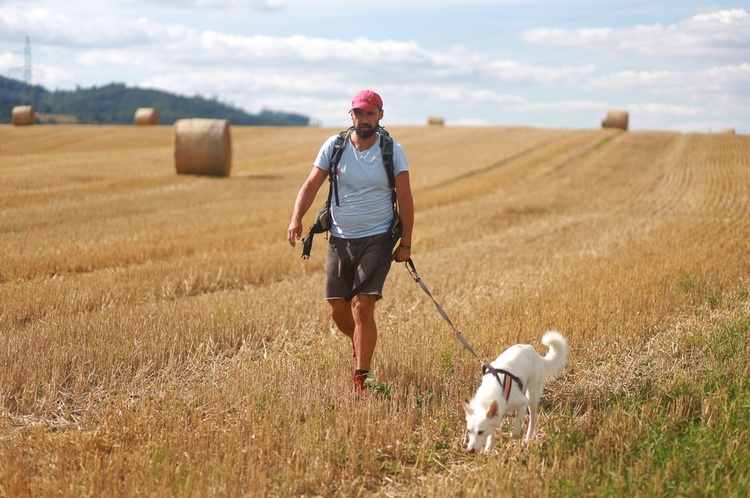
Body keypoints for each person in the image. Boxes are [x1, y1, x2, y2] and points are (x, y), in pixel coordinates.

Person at [287, 89, 414, 395]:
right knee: (337, 309)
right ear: (351, 114)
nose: (364, 119)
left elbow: (407, 200)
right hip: (339, 238)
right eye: (359, 113)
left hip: (378, 238)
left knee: (362, 306)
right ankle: (360, 345)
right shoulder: (335, 146)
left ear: (380, 115)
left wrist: (405, 243)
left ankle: (362, 377)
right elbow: (311, 184)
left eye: (370, 113)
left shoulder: (392, 150)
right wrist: (296, 218)